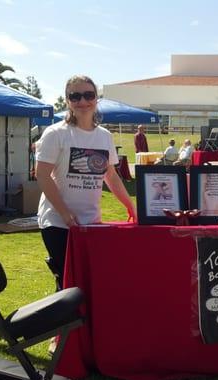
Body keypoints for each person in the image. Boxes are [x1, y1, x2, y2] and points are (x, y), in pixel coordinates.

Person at [35, 75, 137, 292]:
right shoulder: (55, 133)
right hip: (58, 223)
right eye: (75, 96)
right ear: (67, 101)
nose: (82, 101)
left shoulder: (104, 136)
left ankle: (84, 325)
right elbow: (42, 175)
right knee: (67, 283)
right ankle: (64, 325)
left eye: (88, 95)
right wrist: (64, 213)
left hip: (91, 223)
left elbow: (111, 176)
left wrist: (130, 205)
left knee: (88, 281)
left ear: (96, 98)